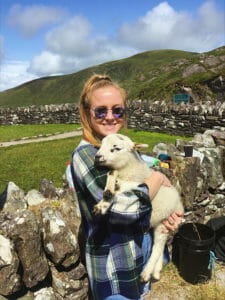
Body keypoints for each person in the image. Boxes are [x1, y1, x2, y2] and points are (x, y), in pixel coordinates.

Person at [70, 74, 183, 300]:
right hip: (113, 272)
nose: (110, 117)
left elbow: (148, 199)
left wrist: (170, 217)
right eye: (101, 111)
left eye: (117, 110)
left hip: (140, 257)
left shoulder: (124, 148)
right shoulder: (86, 156)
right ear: (87, 113)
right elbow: (125, 209)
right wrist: (159, 178)